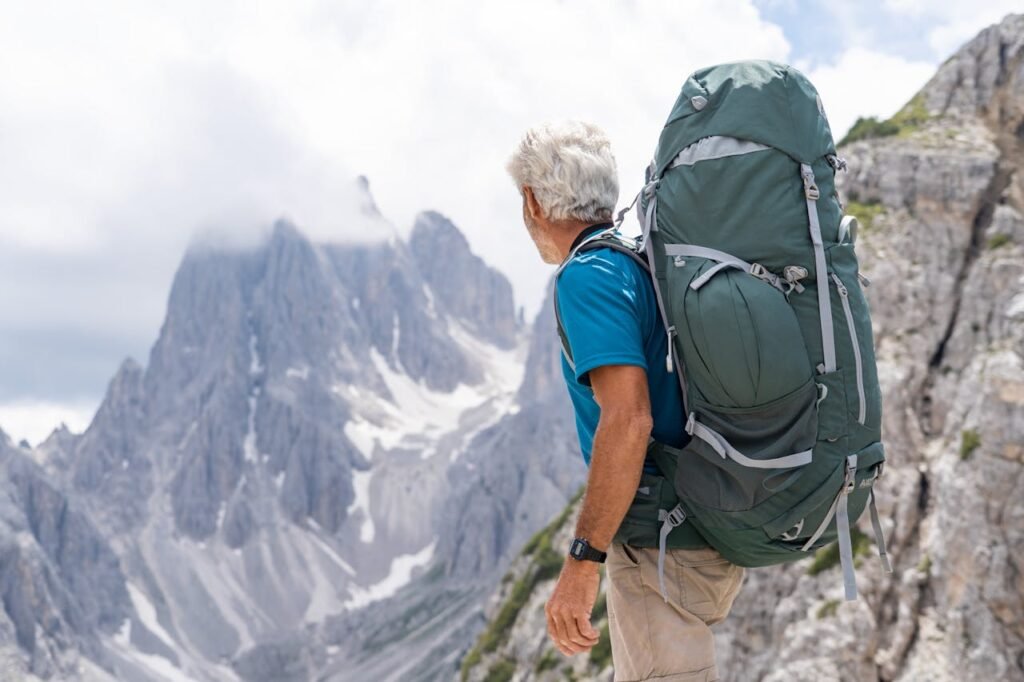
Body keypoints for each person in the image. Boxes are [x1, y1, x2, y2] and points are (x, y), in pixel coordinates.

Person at [506, 120, 745, 682]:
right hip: (698, 526)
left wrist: (582, 561)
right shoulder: (636, 262)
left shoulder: (587, 276)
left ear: (533, 203)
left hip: (659, 541)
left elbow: (628, 418)